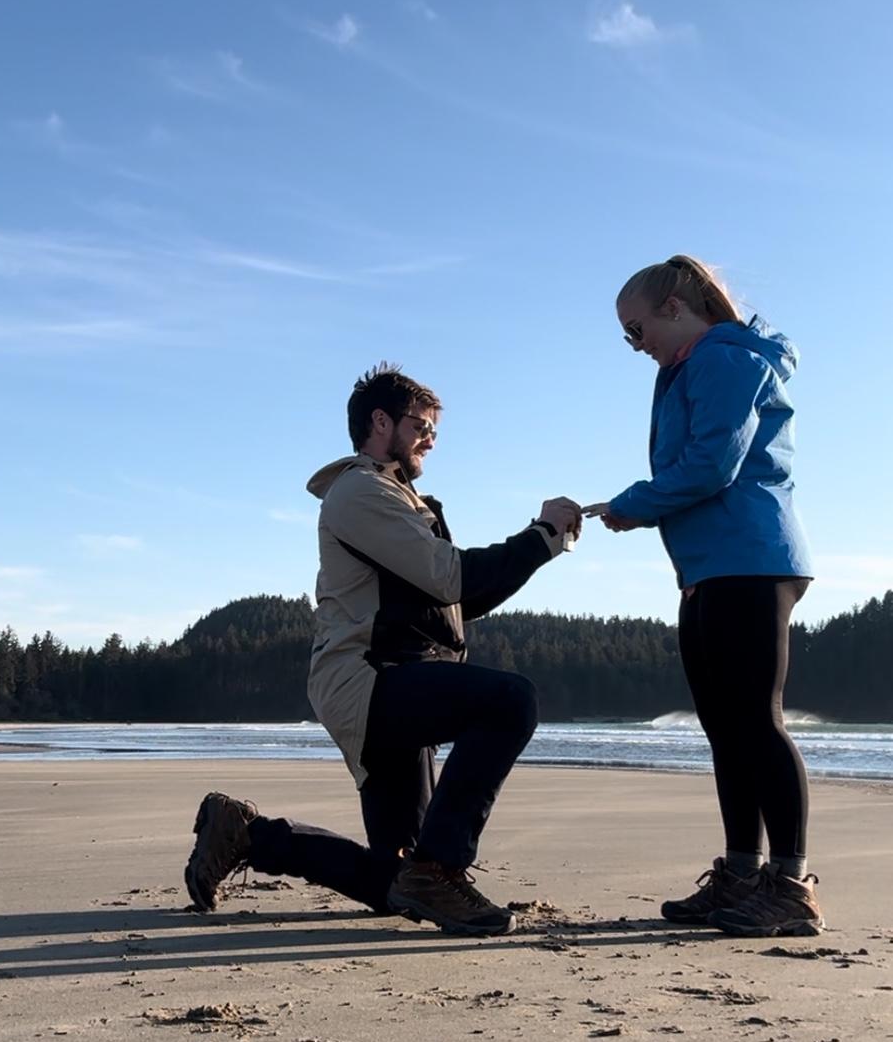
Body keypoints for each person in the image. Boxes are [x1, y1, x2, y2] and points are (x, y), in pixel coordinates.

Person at [184, 363, 582, 936]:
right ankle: (442, 870)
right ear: (379, 421)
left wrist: (546, 543)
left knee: (399, 882)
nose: (429, 439)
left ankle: (247, 834)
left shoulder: (399, 499)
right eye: (421, 425)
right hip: (368, 682)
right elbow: (452, 577)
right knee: (511, 701)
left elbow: (458, 601)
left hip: (398, 680)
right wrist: (540, 535)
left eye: (434, 431)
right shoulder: (360, 492)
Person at [582, 254, 820, 938]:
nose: (636, 345)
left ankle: (792, 885)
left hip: (749, 556)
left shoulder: (724, 359)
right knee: (725, 726)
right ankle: (743, 873)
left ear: (676, 307)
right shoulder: (694, 365)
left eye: (636, 329)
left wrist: (629, 505)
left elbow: (713, 466)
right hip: (714, 563)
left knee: (755, 719)